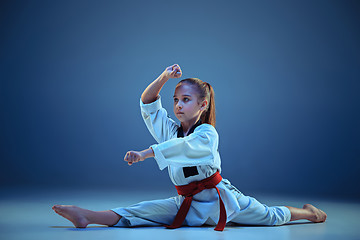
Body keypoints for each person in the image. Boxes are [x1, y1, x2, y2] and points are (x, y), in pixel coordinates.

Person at [52, 64, 327, 230]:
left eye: (186, 99)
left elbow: (185, 148)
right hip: (188, 203)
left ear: (202, 105)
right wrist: (163, 77)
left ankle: (309, 213)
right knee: (140, 211)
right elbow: (148, 105)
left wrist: (147, 153)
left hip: (223, 201)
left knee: (270, 216)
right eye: (176, 100)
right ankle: (86, 215)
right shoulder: (171, 130)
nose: (179, 105)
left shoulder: (207, 133)